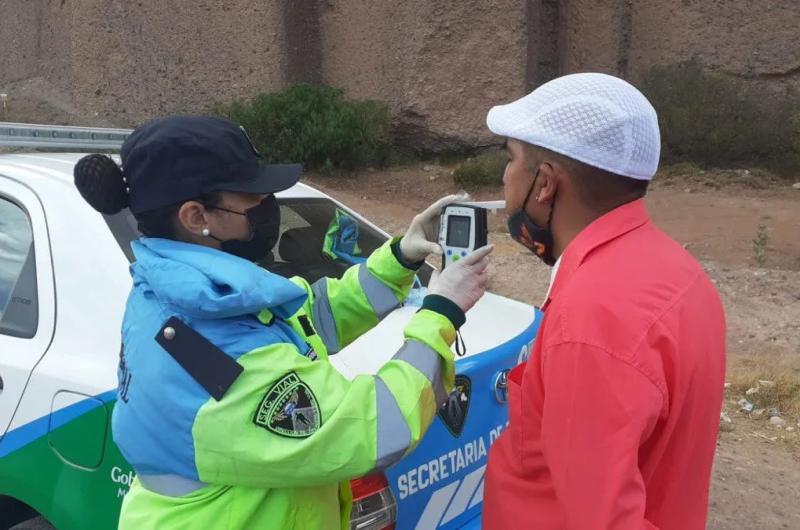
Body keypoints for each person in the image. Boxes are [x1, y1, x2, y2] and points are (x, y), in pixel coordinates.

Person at [73, 115, 493, 530]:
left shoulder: (188, 292)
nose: (268, 207)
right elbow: (375, 427)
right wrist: (440, 314)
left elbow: (311, 319)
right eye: (251, 198)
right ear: (196, 216)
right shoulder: (210, 349)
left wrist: (398, 260)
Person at [482, 73, 726, 529]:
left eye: (512, 159)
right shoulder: (680, 271)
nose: (505, 177)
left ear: (545, 184)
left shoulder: (590, 321)